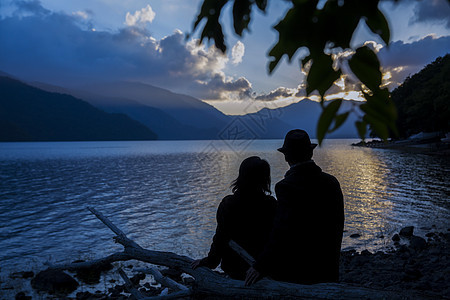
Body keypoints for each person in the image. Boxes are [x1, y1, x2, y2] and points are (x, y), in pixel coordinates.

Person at [245, 129, 344, 285]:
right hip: (328, 269)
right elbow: (337, 226)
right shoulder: (332, 182)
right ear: (310, 153)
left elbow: (281, 231)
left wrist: (260, 265)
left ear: (286, 156)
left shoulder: (286, 187)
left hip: (299, 273)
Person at [191, 156, 277, 280]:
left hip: (235, 269)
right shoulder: (271, 204)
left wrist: (210, 262)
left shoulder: (228, 204)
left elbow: (220, 237)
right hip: (263, 269)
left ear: (241, 176)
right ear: (265, 179)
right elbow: (274, 239)